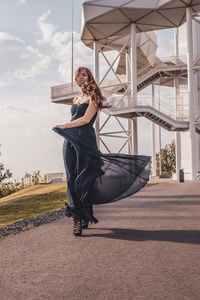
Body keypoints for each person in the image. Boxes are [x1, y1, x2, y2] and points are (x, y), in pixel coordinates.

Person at [52, 67, 151, 236]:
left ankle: (81, 217)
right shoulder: (76, 99)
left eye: (84, 75)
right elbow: (75, 118)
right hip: (69, 141)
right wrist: (67, 130)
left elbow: (85, 119)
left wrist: (64, 126)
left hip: (85, 141)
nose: (81, 78)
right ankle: (80, 217)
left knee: (83, 181)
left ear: (89, 77)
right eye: (79, 76)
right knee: (71, 180)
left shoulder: (94, 97)